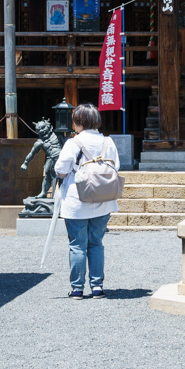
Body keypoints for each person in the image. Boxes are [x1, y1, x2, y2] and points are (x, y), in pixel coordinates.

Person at [53, 103, 120, 298]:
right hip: (103, 199)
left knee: (77, 244)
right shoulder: (109, 142)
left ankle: (77, 289)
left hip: (77, 200)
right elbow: (117, 166)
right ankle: (97, 287)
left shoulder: (73, 143)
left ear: (78, 122)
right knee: (96, 243)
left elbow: (60, 170)